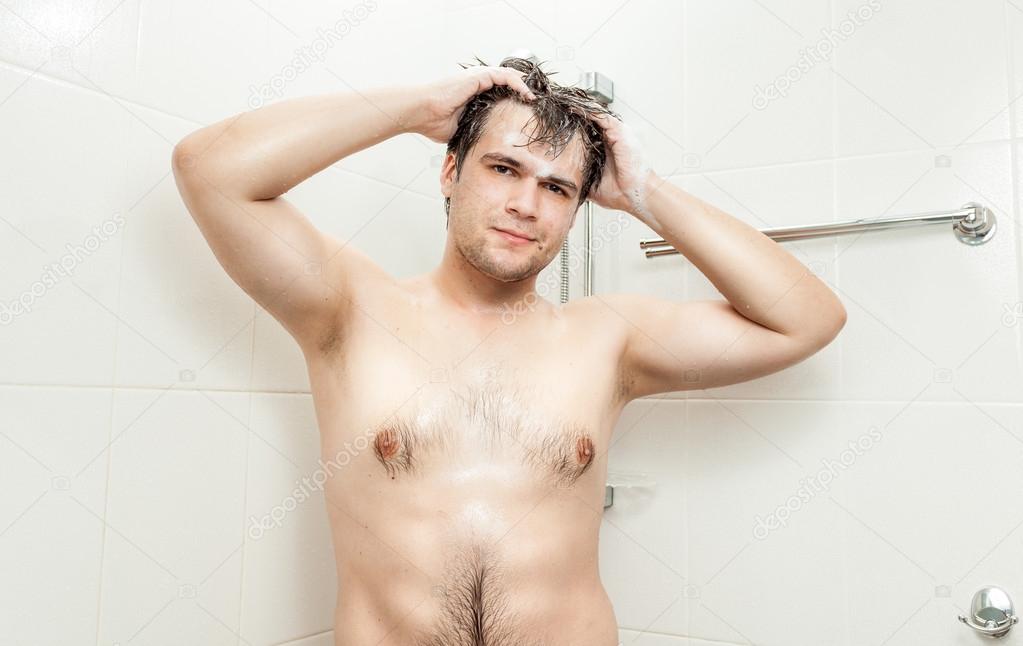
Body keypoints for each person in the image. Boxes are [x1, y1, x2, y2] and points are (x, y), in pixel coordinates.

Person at [171, 56, 846, 646]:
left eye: (555, 187)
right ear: (450, 171)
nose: (526, 204)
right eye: (502, 168)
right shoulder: (349, 310)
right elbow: (209, 169)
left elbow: (805, 319)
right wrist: (414, 108)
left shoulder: (607, 339)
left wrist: (645, 194)